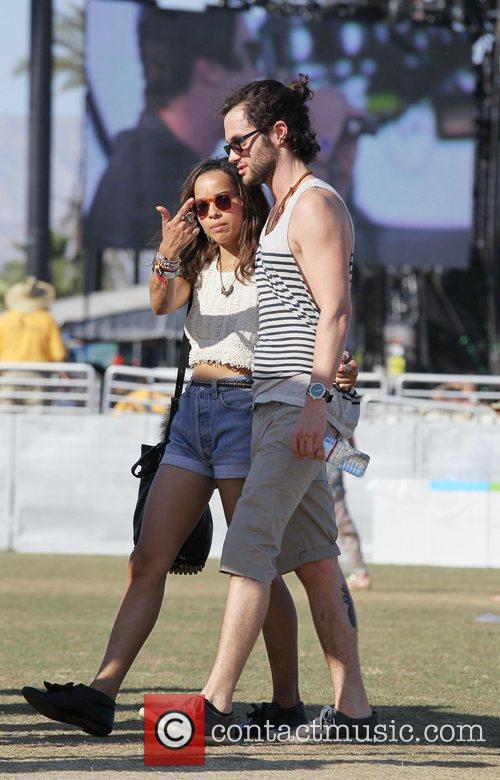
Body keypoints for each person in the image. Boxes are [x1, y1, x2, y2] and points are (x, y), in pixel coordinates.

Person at [22, 158, 357, 736]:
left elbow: (322, 317)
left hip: (248, 411)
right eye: (200, 206)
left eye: (222, 201)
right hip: (191, 416)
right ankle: (102, 692)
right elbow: (160, 301)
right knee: (147, 557)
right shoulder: (197, 258)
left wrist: (333, 378)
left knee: (258, 565)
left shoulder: (277, 258)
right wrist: (169, 248)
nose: (211, 215)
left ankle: (284, 700)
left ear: (246, 200)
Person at [199, 75, 377, 740]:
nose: (232, 156)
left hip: (301, 405)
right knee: (314, 559)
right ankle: (354, 708)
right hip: (275, 403)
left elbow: (336, 311)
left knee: (249, 547)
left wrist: (316, 404)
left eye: (239, 142)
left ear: (278, 132)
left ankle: (213, 703)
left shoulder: (314, 205)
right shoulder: (276, 209)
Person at [85, 7, 258, 250]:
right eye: (251, 54)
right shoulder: (146, 174)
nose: (256, 72)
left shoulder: (146, 159)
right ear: (209, 69)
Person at [0, 277, 66, 408]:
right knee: (36, 422)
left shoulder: (6, 319)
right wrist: (64, 377)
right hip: (38, 376)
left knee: (5, 421)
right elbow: (57, 354)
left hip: (8, 375)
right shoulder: (47, 320)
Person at [327, 460, 372, 591]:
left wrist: (354, 461)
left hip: (327, 465)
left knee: (344, 526)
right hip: (323, 466)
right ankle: (359, 573)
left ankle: (360, 573)